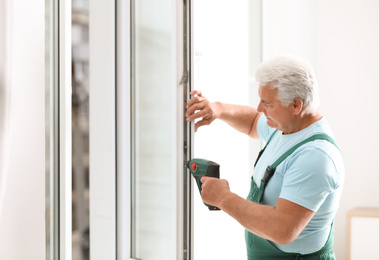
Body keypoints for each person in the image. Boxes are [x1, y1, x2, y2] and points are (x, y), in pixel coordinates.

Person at [186, 55, 344, 259]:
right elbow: (253, 122)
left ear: (296, 105)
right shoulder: (287, 126)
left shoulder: (315, 157)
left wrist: (223, 198)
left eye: (267, 103)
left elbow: (282, 229)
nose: (260, 108)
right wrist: (217, 109)